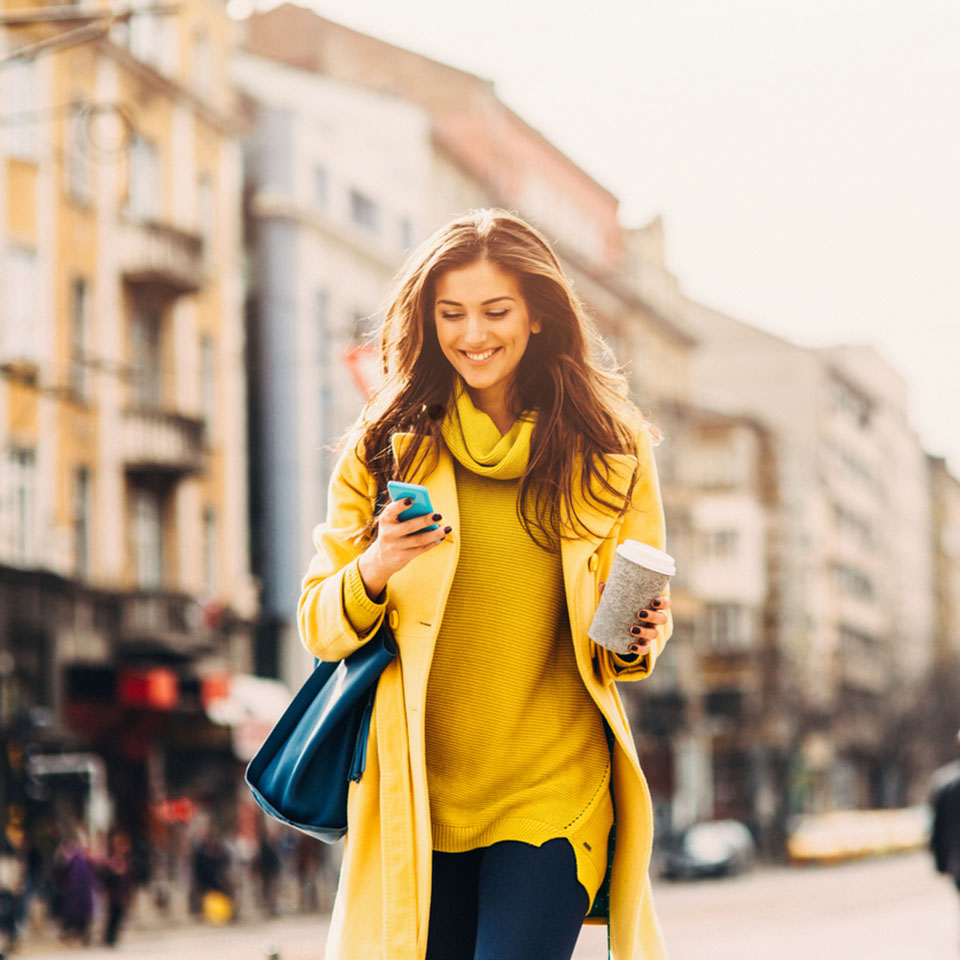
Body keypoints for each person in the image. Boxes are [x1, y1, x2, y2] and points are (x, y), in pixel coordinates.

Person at [298, 209, 673, 960]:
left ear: (537, 314)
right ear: (427, 320)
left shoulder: (610, 445)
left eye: (496, 311)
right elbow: (319, 625)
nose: (474, 334)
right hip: (418, 801)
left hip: (552, 795)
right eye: (452, 314)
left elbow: (629, 629)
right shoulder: (384, 446)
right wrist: (377, 565)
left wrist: (641, 635)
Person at [99, 829, 134, 947]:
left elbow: (129, 878)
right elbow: (104, 876)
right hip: (113, 893)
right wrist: (115, 873)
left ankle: (113, 937)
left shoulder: (125, 859)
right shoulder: (110, 858)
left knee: (119, 915)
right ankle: (109, 937)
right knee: (113, 915)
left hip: (122, 893)